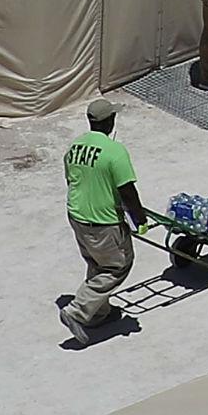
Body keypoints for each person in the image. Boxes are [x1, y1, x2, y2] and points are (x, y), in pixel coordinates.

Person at [58, 98, 147, 345]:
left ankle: (99, 312)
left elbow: (72, 179)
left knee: (97, 261)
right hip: (103, 220)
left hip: (77, 215)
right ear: (110, 121)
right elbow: (128, 191)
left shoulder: (75, 147)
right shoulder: (115, 151)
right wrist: (139, 219)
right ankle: (77, 310)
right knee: (116, 266)